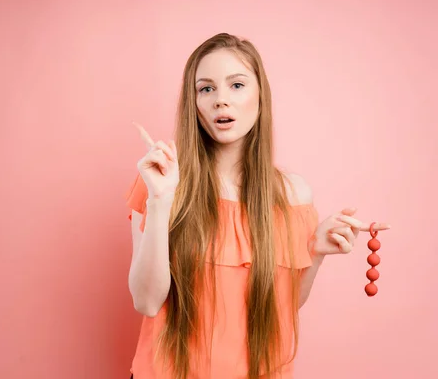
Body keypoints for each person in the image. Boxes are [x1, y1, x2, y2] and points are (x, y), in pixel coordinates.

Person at [124, 33, 390, 379]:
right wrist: (161, 201)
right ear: (194, 104)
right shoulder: (161, 180)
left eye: (236, 85)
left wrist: (316, 252)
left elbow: (283, 306)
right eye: (206, 89)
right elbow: (146, 301)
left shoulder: (293, 195)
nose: (221, 100)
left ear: (260, 96)